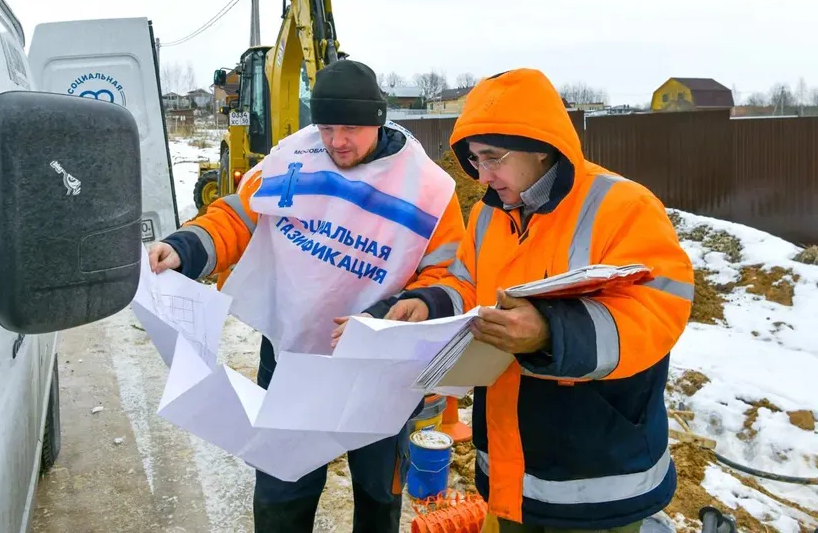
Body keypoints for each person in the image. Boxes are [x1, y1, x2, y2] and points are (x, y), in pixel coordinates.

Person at [148, 59, 466, 532]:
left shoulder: (429, 190)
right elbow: (238, 216)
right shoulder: (292, 158)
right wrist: (184, 248)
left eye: (352, 128)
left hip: (376, 367)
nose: (337, 141)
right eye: (327, 127)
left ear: (378, 120)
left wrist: (399, 311)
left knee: (380, 496)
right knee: (282, 490)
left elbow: (449, 275)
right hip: (292, 353)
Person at [398, 69, 694, 532]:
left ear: (540, 147)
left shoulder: (623, 206)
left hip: (598, 470)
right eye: (474, 160)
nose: (482, 175)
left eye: (493, 158)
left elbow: (659, 307)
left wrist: (549, 332)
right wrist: (432, 304)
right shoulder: (486, 214)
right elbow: (468, 284)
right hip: (509, 466)